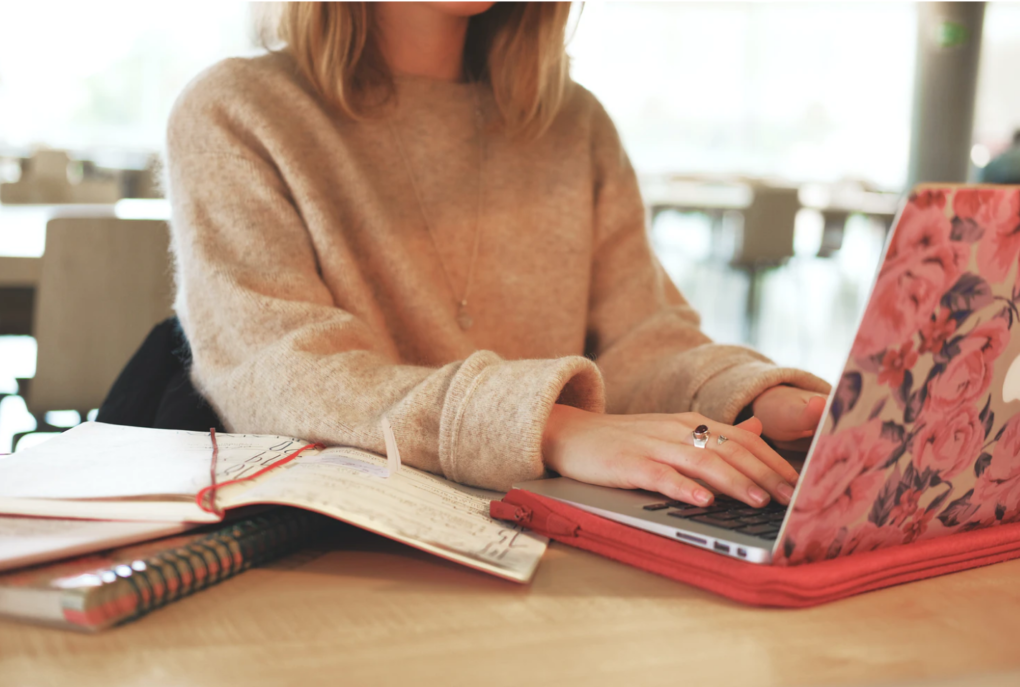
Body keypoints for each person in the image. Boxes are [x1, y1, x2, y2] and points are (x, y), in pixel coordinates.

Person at [165, 1, 830, 510]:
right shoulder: (236, 111)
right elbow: (286, 376)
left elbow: (638, 341)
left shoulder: (575, 124)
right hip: (340, 564)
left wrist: (751, 402)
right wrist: (551, 427)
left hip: (556, 546)